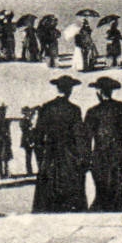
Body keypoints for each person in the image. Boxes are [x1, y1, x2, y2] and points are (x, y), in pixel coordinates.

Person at [85, 76, 122, 211]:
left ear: (99, 92)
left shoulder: (93, 111)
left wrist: (87, 158)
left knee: (104, 193)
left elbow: (87, 135)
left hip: (101, 156)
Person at [32, 75, 89, 212]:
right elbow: (79, 136)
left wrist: (41, 158)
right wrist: (83, 158)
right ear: (70, 90)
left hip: (50, 153)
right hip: (69, 153)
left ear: (58, 89)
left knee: (47, 189)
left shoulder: (46, 108)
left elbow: (38, 135)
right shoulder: (74, 109)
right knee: (71, 188)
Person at [19, 105, 38, 175]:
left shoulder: (28, 119)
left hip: (31, 138)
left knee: (30, 155)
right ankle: (29, 171)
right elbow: (24, 130)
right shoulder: (23, 120)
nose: (28, 113)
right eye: (27, 111)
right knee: (28, 155)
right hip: (27, 139)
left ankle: (30, 170)